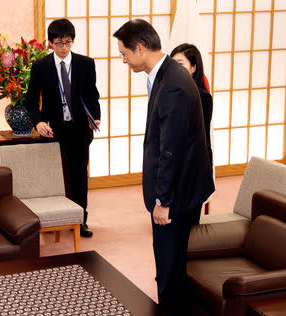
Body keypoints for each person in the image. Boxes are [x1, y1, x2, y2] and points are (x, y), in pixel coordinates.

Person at [113, 20, 215, 315]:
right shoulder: (167, 74)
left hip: (178, 194)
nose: (124, 60)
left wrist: (163, 202)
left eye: (124, 54)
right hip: (184, 187)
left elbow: (171, 150)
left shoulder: (172, 84)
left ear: (140, 48)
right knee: (172, 265)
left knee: (169, 269)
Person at [25, 19, 101, 238]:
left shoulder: (86, 64)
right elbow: (30, 101)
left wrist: (95, 117)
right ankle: (52, 220)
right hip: (52, 130)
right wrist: (38, 122)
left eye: (68, 42)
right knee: (52, 177)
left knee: (79, 177)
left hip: (79, 130)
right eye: (59, 43)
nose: (64, 47)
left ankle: (80, 221)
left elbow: (92, 95)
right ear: (50, 43)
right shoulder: (40, 67)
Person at [171, 43, 213, 165]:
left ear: (193, 68)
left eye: (180, 64)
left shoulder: (203, 97)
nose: (175, 69)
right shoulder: (169, 94)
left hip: (195, 160)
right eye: (172, 64)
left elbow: (199, 136)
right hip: (174, 158)